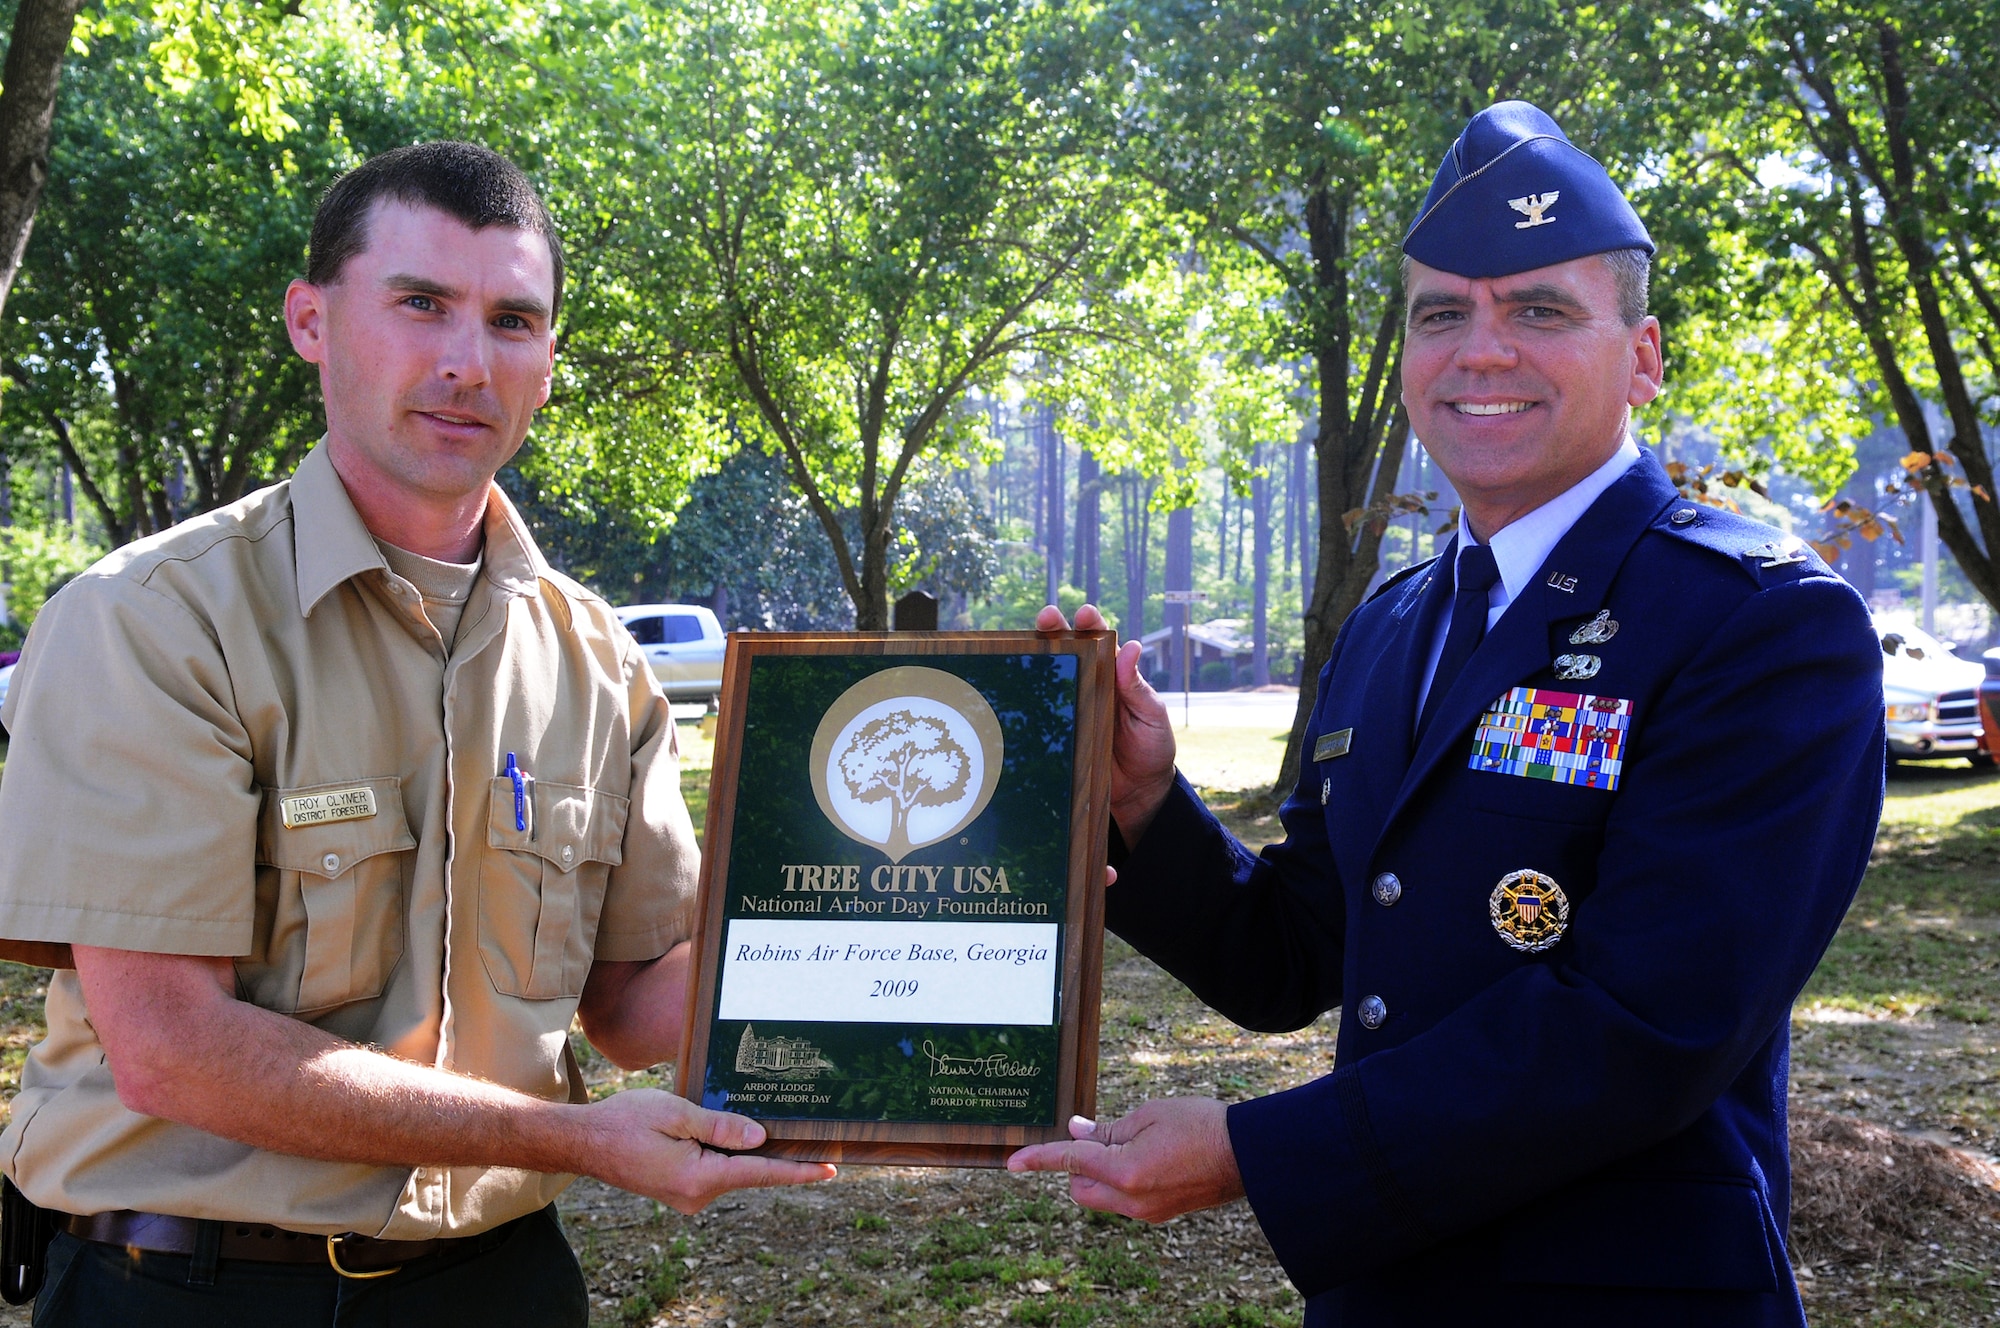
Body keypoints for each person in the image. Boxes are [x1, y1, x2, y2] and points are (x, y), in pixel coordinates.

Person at [1014, 102, 1885, 1327]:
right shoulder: (1394, 622)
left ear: (1638, 356)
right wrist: (1143, 803)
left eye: (1537, 309)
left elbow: (1652, 1020)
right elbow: (1297, 954)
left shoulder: (1759, 623)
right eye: (1441, 314)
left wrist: (1252, 1151)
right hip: (1386, 1292)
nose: (1480, 351)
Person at [0, 141, 832, 1325]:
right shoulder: (150, 624)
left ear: (548, 359)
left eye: (511, 319)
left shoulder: (597, 658)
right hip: (196, 1288)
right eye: (421, 303)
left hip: (502, 1286)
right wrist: (576, 1138)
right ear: (310, 321)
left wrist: (890, 905)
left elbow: (640, 1006)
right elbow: (171, 1047)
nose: (464, 361)